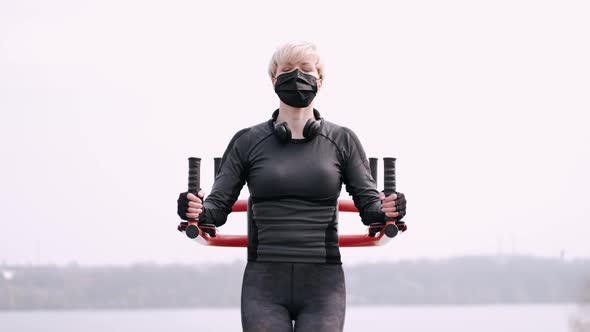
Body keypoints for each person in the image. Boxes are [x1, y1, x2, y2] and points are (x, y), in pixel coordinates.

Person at [177, 41, 407, 332]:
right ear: (274, 80)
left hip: (323, 284)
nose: (296, 75)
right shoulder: (248, 141)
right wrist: (193, 207)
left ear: (319, 81)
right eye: (287, 70)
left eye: (305, 69)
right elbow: (215, 211)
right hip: (264, 283)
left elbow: (372, 211)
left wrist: (391, 206)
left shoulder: (342, 139)